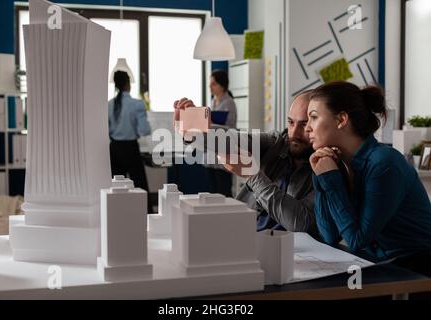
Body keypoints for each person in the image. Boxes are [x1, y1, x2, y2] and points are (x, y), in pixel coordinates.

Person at [306, 81, 431, 273]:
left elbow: (356, 240)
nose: (307, 128)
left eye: (313, 117)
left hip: (415, 268)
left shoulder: (384, 163)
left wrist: (329, 178)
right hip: (378, 264)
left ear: (341, 120)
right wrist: (320, 176)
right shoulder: (337, 161)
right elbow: (329, 236)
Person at [173, 90, 319, 237]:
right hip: (242, 235)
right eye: (291, 122)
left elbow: (299, 222)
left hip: (290, 251)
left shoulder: (325, 169)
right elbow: (235, 140)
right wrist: (195, 131)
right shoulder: (278, 142)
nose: (294, 133)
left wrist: (252, 175)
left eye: (304, 125)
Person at [108, 70, 151, 193]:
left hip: (114, 149)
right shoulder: (136, 104)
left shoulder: (109, 105)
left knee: (116, 188)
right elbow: (145, 130)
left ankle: (116, 212)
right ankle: (144, 212)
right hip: (130, 149)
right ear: (128, 84)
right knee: (140, 185)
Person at [205, 70, 238, 196]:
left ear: (222, 85)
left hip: (224, 152)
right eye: (210, 84)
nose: (210, 87)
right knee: (212, 191)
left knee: (224, 190)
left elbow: (230, 129)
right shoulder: (212, 102)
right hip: (211, 152)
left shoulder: (229, 103)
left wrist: (211, 124)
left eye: (213, 84)